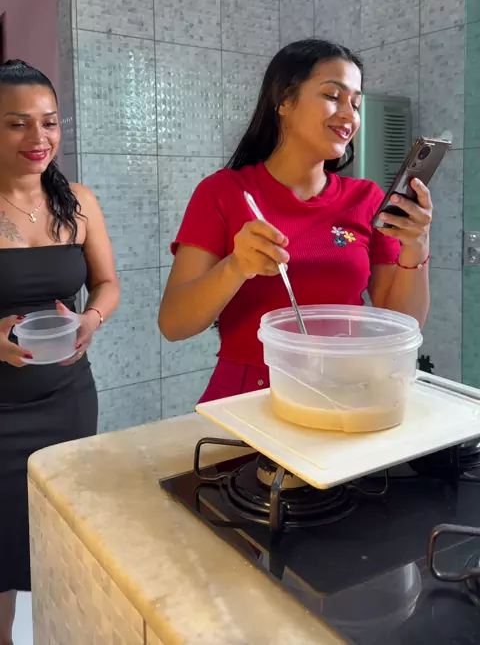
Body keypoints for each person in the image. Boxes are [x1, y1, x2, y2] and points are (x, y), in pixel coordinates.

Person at [159, 38, 432, 404]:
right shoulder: (223, 192)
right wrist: (236, 266)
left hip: (343, 394)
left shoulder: (366, 199)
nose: (349, 115)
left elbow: (402, 326)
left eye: (355, 103)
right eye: (332, 96)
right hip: (247, 399)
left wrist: (416, 246)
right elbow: (174, 324)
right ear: (284, 101)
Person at [0, 60, 120, 645]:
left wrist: (90, 319)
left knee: (61, 537)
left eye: (49, 122)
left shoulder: (79, 203)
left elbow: (108, 284)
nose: (38, 137)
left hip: (67, 400)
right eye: (17, 123)